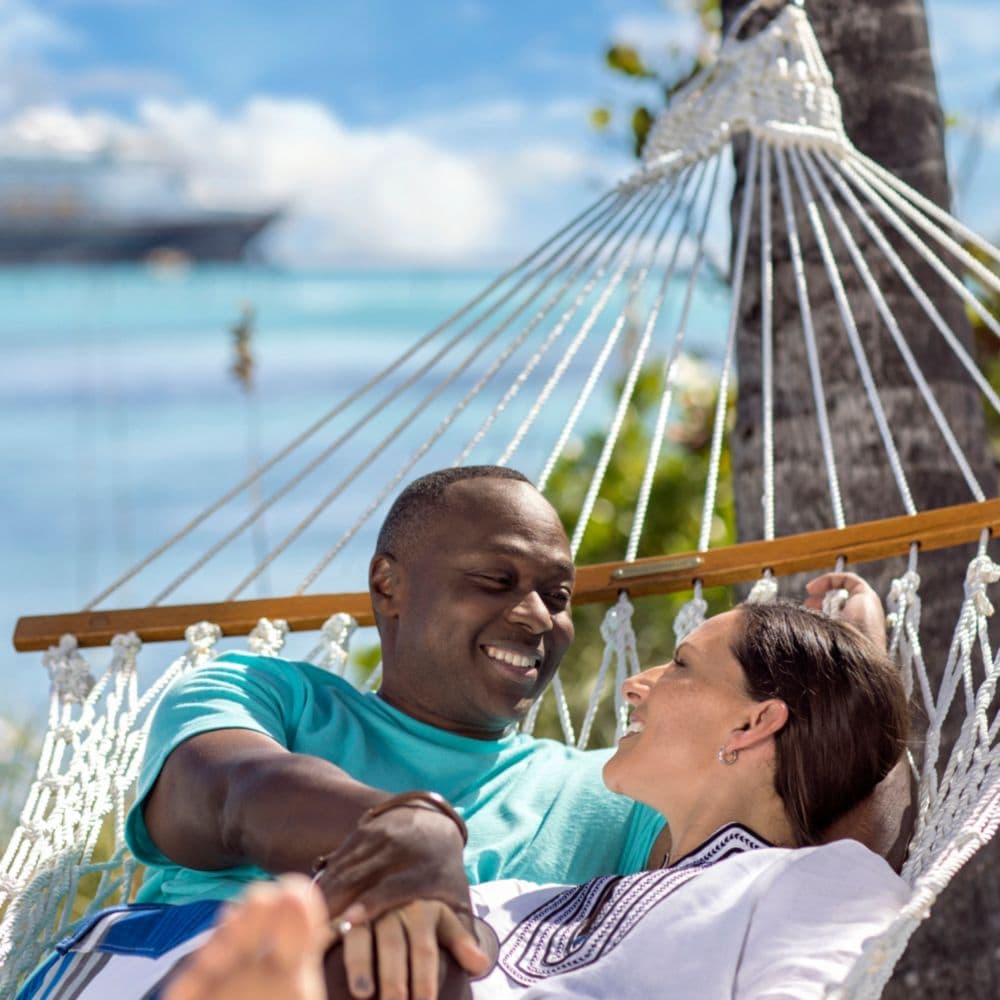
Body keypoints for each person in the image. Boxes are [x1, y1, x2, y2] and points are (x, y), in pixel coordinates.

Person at [15, 466, 906, 999]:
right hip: (184, 950)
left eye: (558, 596)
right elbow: (224, 794)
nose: (537, 616)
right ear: (388, 586)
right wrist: (406, 827)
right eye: (496, 579)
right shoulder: (269, 692)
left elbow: (805, 822)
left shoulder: (611, 790)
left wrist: (855, 673)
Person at [161, 577, 910, 1000]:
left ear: (753, 724)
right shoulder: (544, 890)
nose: (634, 685)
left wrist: (857, 668)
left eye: (678, 665)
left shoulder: (823, 881)